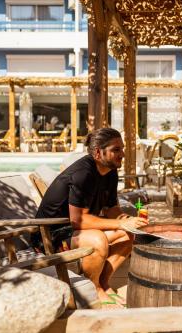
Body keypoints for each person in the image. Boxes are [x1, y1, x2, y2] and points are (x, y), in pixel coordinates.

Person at [35, 127, 148, 308]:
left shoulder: (110, 170)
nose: (123, 154)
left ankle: (102, 283)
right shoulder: (83, 174)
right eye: (116, 150)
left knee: (133, 234)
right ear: (97, 152)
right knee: (98, 240)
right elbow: (78, 220)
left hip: (75, 230)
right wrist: (121, 223)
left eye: (122, 148)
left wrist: (128, 220)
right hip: (51, 235)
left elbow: (111, 208)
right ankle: (94, 288)